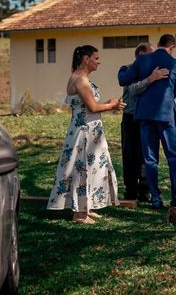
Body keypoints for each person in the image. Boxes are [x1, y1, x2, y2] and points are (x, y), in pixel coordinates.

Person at [47, 45, 124, 224]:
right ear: (86, 59)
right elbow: (92, 107)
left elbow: (89, 106)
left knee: (90, 169)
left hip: (87, 129)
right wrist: (112, 105)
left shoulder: (79, 77)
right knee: (82, 169)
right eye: (96, 58)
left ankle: (86, 208)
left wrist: (108, 104)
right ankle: (79, 214)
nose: (99, 61)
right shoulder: (80, 80)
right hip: (85, 133)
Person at [118, 34, 176, 210]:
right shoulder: (175, 63)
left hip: (145, 115)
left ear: (158, 44)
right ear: (173, 47)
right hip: (166, 115)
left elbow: (123, 80)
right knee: (174, 157)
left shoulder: (141, 60)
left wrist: (144, 74)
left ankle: (156, 199)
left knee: (149, 159)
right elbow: (174, 92)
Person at [120, 42, 169, 202]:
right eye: (150, 53)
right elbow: (132, 89)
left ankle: (146, 190)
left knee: (148, 155)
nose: (154, 56)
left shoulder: (153, 69)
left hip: (147, 117)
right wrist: (150, 79)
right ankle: (130, 191)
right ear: (141, 54)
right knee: (129, 155)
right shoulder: (127, 69)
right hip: (130, 118)